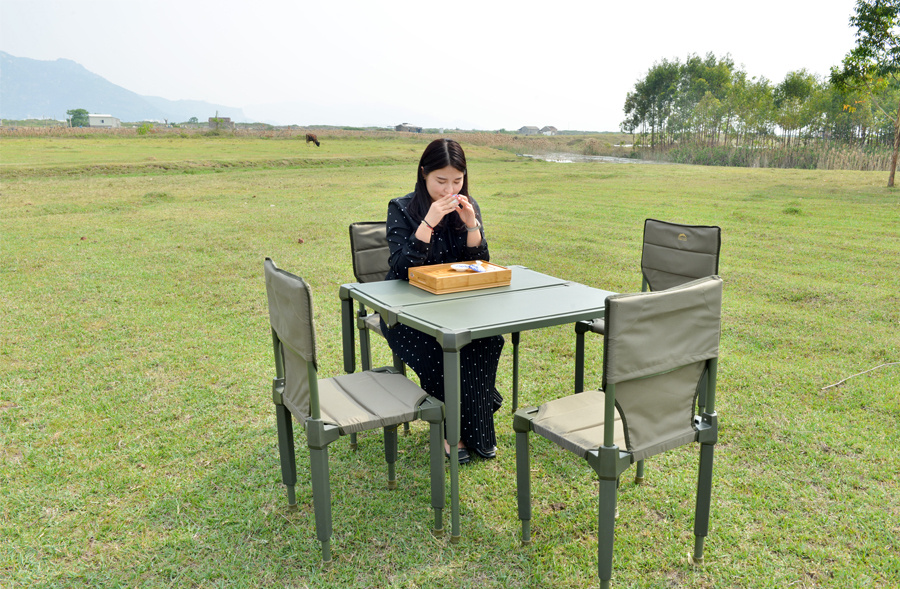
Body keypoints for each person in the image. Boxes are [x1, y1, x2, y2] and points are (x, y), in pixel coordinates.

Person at [381, 138, 503, 464]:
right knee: (440, 350)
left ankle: (475, 414)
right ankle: (456, 432)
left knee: (489, 340)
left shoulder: (467, 205)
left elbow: (480, 262)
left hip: (455, 307)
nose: (449, 188)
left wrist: (471, 225)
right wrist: (429, 221)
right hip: (404, 313)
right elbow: (401, 268)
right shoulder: (401, 207)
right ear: (424, 174)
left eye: (457, 180)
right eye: (441, 180)